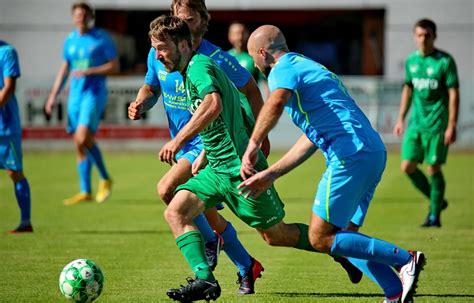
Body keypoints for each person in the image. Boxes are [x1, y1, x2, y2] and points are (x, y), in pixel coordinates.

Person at [149, 15, 361, 303]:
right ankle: (205, 280)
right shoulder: (188, 72)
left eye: (162, 48)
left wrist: (179, 140)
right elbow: (230, 110)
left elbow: (213, 104)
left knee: (276, 235)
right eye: (155, 48)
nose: (157, 55)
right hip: (215, 169)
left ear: (183, 45)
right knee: (176, 211)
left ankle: (337, 247)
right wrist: (203, 153)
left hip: (240, 170)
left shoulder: (199, 67)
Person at [238, 25, 426, 303]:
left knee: (320, 237)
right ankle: (395, 293)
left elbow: (275, 103)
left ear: (263, 53)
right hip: (371, 151)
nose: (255, 64)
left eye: (254, 58)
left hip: (349, 155)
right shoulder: (310, 67)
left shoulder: (282, 68)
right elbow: (310, 139)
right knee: (345, 237)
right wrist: (272, 173)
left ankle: (405, 260)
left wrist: (253, 144)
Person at [127, 10, 265, 297]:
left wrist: (258, 134)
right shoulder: (160, 52)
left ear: (203, 19)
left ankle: (208, 249)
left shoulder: (213, 58)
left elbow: (249, 90)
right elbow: (151, 88)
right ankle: (244, 263)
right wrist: (141, 103)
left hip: (207, 141)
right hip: (184, 140)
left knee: (168, 189)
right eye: (180, 17)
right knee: (205, 212)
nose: (185, 24)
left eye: (190, 19)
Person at [45, 1, 118, 205]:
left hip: (93, 94)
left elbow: (114, 65)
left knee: (83, 136)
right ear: (73, 18)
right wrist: (53, 95)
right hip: (75, 96)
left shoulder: (101, 38)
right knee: (78, 143)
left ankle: (105, 178)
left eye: (84, 16)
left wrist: (90, 71)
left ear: (90, 17)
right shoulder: (70, 40)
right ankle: (85, 190)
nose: (81, 19)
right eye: (77, 16)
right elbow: (65, 68)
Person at [393, 18, 459, 228]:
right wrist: (401, 118)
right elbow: (408, 90)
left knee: (433, 168)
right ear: (415, 37)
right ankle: (437, 200)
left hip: (437, 124)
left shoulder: (444, 61)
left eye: (427, 35)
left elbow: (454, 93)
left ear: (434, 36)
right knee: (407, 166)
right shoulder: (411, 61)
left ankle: (434, 216)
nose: (423, 39)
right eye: (419, 35)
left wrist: (452, 124)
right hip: (416, 123)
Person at [0, 40, 33, 234]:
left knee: (14, 172)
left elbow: (9, 86)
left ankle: (25, 222)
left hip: (5, 128)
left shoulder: (7, 52)